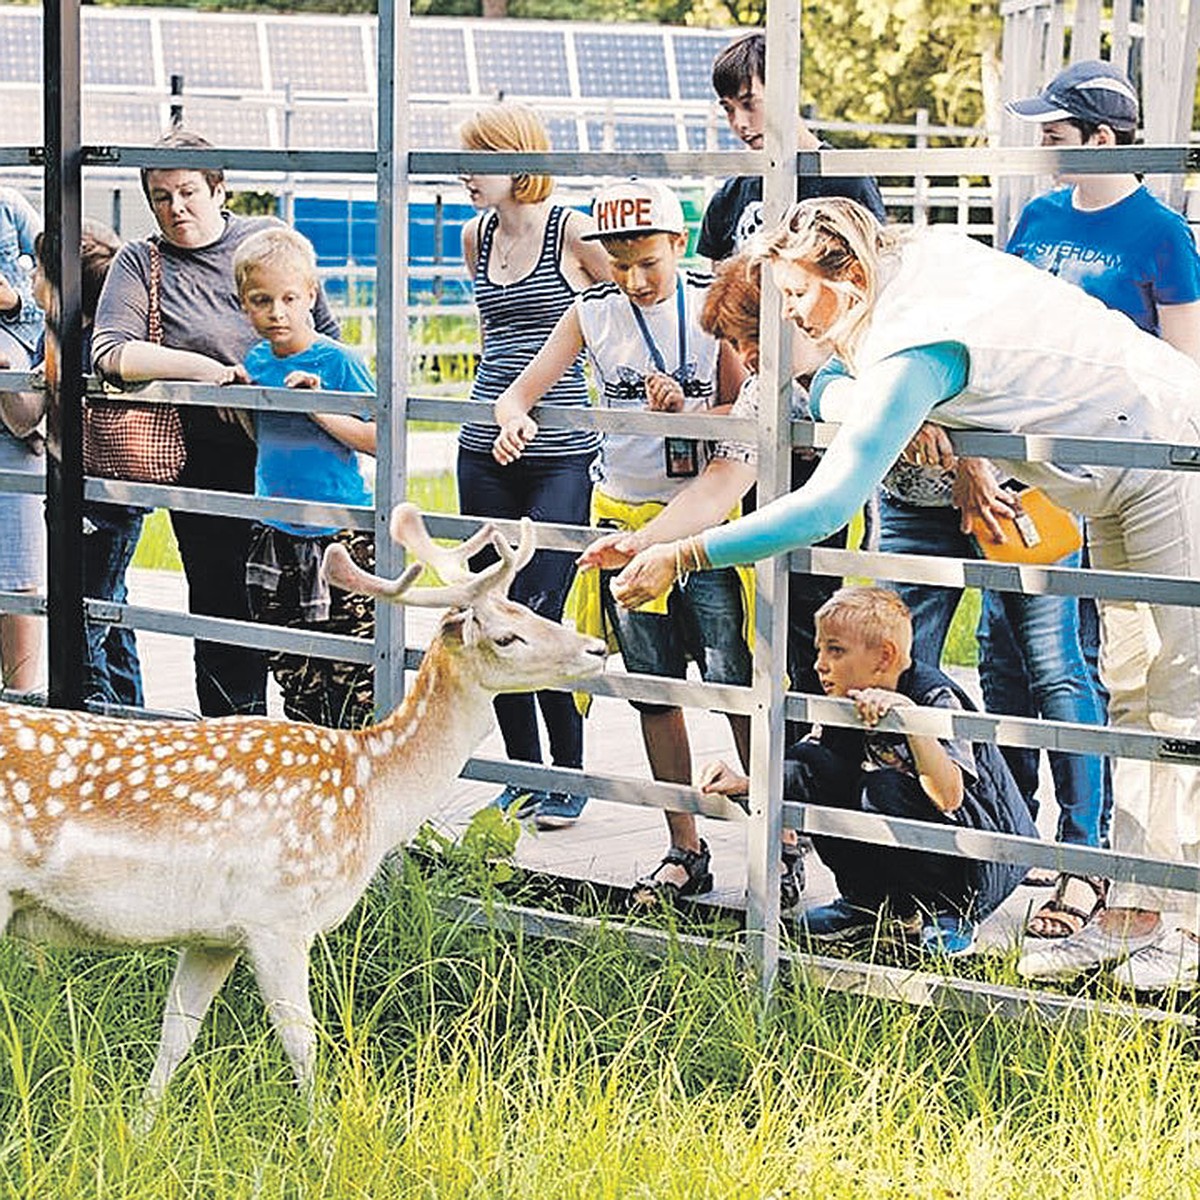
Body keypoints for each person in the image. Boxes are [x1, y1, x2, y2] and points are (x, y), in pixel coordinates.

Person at [612, 196, 1200, 990]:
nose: (789, 317)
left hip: (1168, 446)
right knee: (1135, 691)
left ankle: (1187, 926)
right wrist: (853, 399)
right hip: (1125, 463)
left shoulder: (912, 343)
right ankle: (1135, 913)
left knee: (1181, 696)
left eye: (793, 298)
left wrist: (684, 556)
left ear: (845, 275)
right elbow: (845, 389)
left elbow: (827, 503)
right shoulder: (905, 272)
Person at [975, 60, 1200, 933]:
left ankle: (1172, 908)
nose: (1042, 145)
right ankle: (1133, 896)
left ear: (1106, 140)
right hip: (1064, 477)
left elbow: (1184, 369)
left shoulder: (1160, 234)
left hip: (1145, 473)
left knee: (1170, 681)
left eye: (1058, 134)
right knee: (1120, 675)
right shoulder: (1037, 218)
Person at [493, 178, 749, 907]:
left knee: (736, 687)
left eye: (649, 264)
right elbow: (525, 385)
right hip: (626, 520)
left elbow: (743, 408)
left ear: (678, 245)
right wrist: (517, 417)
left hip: (707, 525)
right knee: (652, 689)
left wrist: (694, 409)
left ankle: (779, 841)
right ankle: (683, 846)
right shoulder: (592, 310)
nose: (634, 280)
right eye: (619, 264)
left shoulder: (711, 302)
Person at [577, 252, 835, 907]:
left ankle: (832, 860)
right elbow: (724, 478)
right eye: (737, 345)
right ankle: (729, 851)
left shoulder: (858, 360)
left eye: (751, 340)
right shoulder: (762, 385)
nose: (745, 358)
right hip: (789, 526)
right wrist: (642, 541)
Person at [91, 127, 340, 718]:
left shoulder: (269, 240)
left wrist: (277, 392)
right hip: (206, 459)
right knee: (223, 609)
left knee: (311, 604)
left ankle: (317, 750)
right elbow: (111, 353)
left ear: (218, 188)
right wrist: (209, 372)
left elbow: (326, 341)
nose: (175, 209)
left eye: (187, 192)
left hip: (292, 453)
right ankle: (235, 749)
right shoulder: (141, 260)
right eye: (160, 197)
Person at [700, 587, 1036, 954]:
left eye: (836, 650)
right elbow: (803, 771)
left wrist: (911, 720)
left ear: (884, 657)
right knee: (809, 763)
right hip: (905, 840)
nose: (820, 664)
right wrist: (745, 784)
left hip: (977, 859)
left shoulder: (935, 696)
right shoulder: (843, 699)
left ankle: (950, 912)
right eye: (819, 650)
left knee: (883, 789)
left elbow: (949, 796)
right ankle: (869, 904)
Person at [457, 103, 612, 828]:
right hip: (484, 445)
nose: (463, 174)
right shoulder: (475, 234)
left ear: (517, 159)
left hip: (558, 449)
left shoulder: (571, 231)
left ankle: (570, 772)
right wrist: (497, 409)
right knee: (491, 609)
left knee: (541, 609)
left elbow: (623, 312)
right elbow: (493, 336)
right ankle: (520, 773)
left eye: (477, 159)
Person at [233, 226, 377, 729]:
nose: (277, 312)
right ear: (243, 304)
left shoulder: (336, 361)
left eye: (290, 298)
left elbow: (381, 438)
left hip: (338, 532)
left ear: (311, 296)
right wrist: (242, 400)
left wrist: (319, 408)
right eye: (262, 300)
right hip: (276, 531)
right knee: (292, 666)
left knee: (353, 668)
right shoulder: (254, 362)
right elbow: (266, 437)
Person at [5, 222, 148, 706]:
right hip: (110, 502)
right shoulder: (77, 337)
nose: (28, 282)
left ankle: (97, 725)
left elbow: (28, 422)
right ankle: (131, 720)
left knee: (83, 627)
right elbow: (27, 419)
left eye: (36, 271)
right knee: (110, 614)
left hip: (95, 503)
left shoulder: (78, 346)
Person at [696, 29, 886, 266]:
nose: (740, 123)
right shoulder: (728, 197)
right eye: (728, 109)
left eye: (749, 104)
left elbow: (874, 276)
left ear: (786, 92)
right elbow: (715, 291)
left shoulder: (847, 180)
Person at [0, 187, 44, 692]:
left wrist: (11, 299)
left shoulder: (11, 208)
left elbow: (54, 286)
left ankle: (19, 703)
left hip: (12, 421)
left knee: (18, 571)